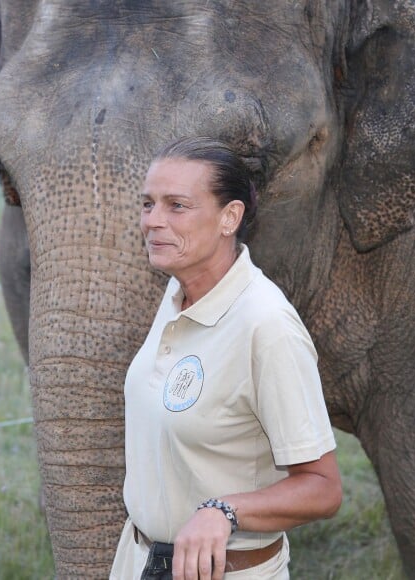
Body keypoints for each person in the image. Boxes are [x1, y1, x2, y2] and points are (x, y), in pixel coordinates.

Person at [111, 136, 342, 580]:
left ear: (229, 217)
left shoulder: (266, 326)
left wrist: (225, 510)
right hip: (141, 562)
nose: (153, 221)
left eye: (177, 206)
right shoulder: (178, 293)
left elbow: (324, 489)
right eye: (147, 204)